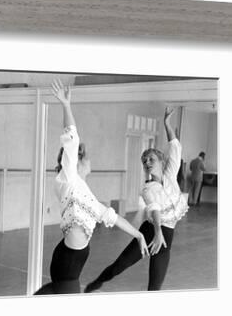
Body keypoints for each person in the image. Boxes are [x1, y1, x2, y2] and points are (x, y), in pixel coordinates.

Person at [35, 80, 149, 295]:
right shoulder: (68, 178)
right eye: (87, 157)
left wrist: (138, 235)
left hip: (70, 262)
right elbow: (71, 139)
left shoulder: (85, 192)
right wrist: (66, 105)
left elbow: (112, 217)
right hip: (68, 264)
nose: (91, 161)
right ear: (78, 161)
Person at [85, 106, 188, 292]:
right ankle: (98, 281)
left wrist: (166, 123)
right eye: (144, 162)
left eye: (151, 160)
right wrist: (157, 232)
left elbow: (175, 147)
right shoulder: (148, 189)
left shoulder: (170, 175)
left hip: (166, 237)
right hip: (151, 231)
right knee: (119, 266)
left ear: (161, 161)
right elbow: (155, 210)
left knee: (155, 287)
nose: (147, 164)